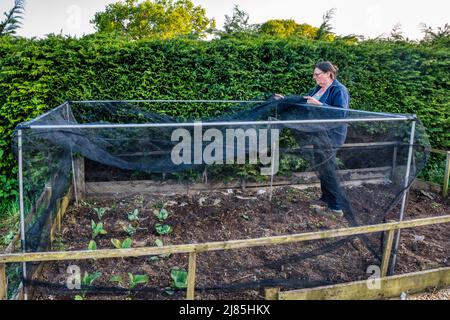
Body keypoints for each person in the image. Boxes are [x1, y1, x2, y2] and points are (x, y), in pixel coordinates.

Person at [273, 61, 350, 217]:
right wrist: (285, 99)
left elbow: (342, 113)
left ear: (329, 73)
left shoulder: (339, 90)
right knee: (322, 166)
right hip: (319, 134)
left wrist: (321, 105)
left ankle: (335, 208)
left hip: (332, 137)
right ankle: (325, 199)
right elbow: (304, 100)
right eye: (314, 75)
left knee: (328, 169)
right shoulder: (318, 89)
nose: (314, 78)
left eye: (317, 74)